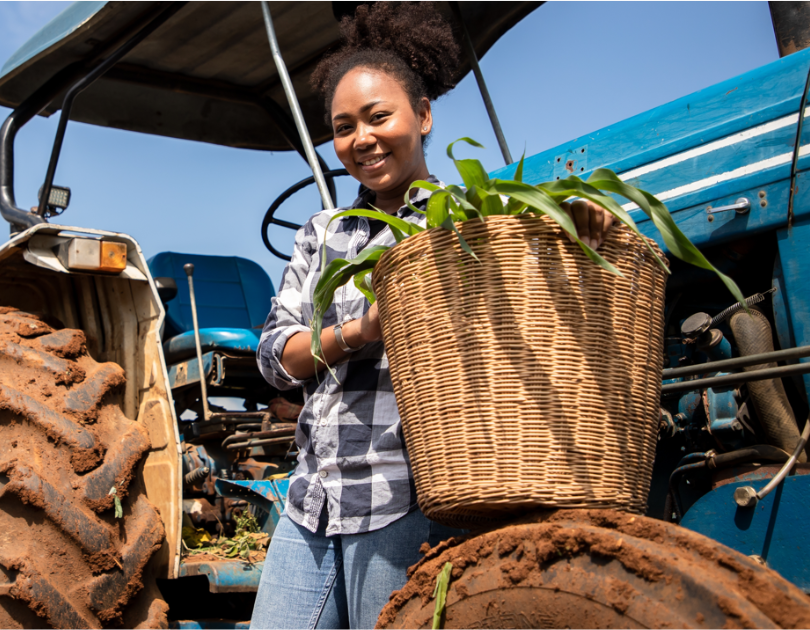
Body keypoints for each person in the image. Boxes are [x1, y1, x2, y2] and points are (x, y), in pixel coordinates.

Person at [251, 4, 615, 629]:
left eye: (379, 117)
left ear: (422, 115)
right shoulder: (322, 232)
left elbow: (533, 306)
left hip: (407, 496)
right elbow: (275, 358)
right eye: (343, 127)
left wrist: (575, 221)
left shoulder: (470, 219)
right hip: (312, 499)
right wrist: (361, 331)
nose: (362, 139)